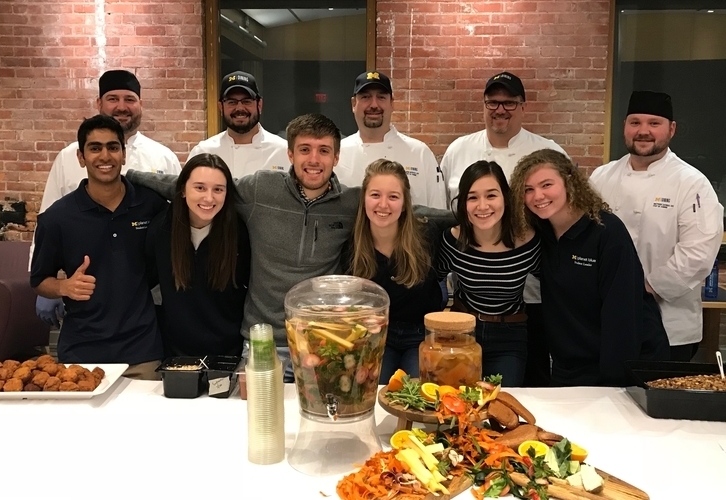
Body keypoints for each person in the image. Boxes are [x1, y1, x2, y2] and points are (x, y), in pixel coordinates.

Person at [125, 114, 454, 380]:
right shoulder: (260, 191)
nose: (314, 159)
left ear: (336, 157)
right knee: (253, 428)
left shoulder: (351, 202)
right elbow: (198, 185)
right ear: (290, 154)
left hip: (324, 344)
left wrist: (464, 218)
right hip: (262, 341)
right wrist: (128, 178)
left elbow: (409, 212)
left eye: (324, 150)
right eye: (306, 149)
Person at [440, 71, 568, 387]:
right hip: (471, 297)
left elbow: (563, 217)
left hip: (531, 302)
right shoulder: (458, 149)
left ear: (523, 106)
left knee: (524, 390)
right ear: (484, 106)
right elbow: (447, 213)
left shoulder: (547, 151)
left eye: (509, 103)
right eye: (493, 102)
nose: (500, 110)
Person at [34, 70, 181, 328]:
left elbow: (178, 220)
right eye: (113, 98)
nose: (121, 107)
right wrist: (52, 286)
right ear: (98, 103)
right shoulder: (68, 156)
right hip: (90, 292)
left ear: (141, 105)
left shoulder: (163, 156)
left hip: (149, 294)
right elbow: (48, 219)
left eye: (130, 99)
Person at [511, 148, 670, 387]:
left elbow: (623, 314)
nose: (538, 196)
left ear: (569, 182)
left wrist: (614, 382)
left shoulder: (606, 232)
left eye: (546, 185)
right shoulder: (539, 233)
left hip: (624, 366)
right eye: (528, 190)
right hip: (570, 367)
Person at [30, 115, 168, 379]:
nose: (105, 156)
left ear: (124, 154)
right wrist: (63, 287)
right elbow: (38, 279)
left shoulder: (151, 205)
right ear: (81, 157)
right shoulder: (57, 218)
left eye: (113, 147)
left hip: (143, 352)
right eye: (95, 148)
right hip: (82, 354)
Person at [590, 91, 724, 362]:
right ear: (625, 127)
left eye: (654, 123)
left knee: (655, 403)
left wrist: (640, 289)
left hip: (667, 325)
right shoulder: (601, 177)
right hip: (606, 322)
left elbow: (697, 256)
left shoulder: (691, 183)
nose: (643, 131)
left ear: (671, 129)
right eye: (635, 122)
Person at [435, 161, 540, 387]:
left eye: (491, 195)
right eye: (472, 197)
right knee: (456, 405)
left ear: (505, 197)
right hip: (463, 331)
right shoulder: (453, 240)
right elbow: (432, 283)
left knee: (501, 406)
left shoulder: (528, 242)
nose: (482, 206)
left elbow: (556, 286)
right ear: (463, 203)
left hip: (510, 336)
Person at [342, 159, 444, 381]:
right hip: (376, 336)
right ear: (364, 199)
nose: (383, 204)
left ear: (405, 203)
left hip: (420, 336)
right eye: (375, 195)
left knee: (415, 390)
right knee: (373, 387)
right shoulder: (352, 244)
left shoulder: (427, 235)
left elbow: (461, 218)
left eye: (393, 196)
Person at [146, 154, 250, 358]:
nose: (209, 198)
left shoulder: (238, 233)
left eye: (218, 189)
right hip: (174, 353)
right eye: (200, 188)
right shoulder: (161, 229)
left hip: (229, 354)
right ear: (183, 190)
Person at [334, 71, 446, 209]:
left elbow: (438, 212)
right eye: (365, 97)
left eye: (381, 97)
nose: (374, 105)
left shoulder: (419, 153)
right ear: (353, 104)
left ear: (392, 103)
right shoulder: (337, 153)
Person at [187, 71, 290, 178]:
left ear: (259, 105)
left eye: (247, 101)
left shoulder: (283, 151)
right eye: (232, 102)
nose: (240, 108)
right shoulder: (203, 152)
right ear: (220, 107)